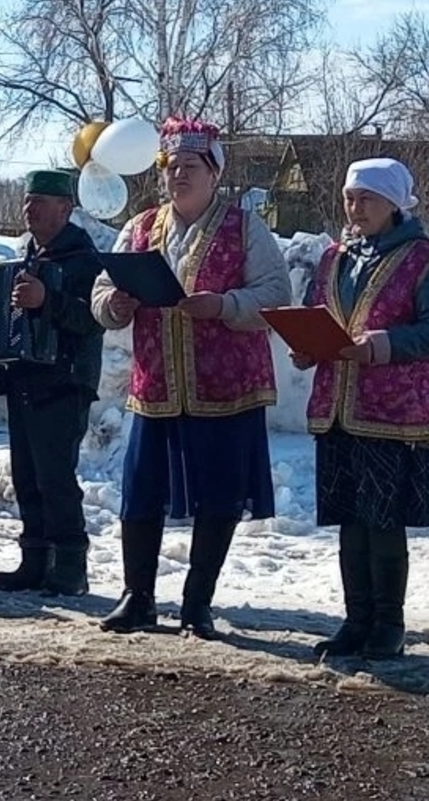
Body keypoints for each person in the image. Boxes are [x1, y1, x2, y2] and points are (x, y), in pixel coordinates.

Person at [90, 118, 291, 638]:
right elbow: (101, 289)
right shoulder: (139, 227)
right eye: (171, 166)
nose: (178, 174)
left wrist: (224, 305)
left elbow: (275, 293)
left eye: (190, 166)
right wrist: (115, 303)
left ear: (213, 174)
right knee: (140, 490)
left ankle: (197, 601)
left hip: (225, 384)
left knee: (220, 493)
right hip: (157, 382)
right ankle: (137, 596)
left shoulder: (244, 227)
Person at [293, 158, 429, 660]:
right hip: (339, 406)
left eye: (366, 197)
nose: (355, 206)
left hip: (393, 410)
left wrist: (382, 344)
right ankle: (356, 619)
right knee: (349, 519)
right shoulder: (334, 258)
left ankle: (389, 622)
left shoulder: (425, 260)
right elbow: (315, 314)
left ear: (393, 203)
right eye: (350, 196)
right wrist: (305, 345)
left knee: (382, 519)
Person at [0, 169, 106, 595]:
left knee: (56, 476)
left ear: (66, 209)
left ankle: (71, 564)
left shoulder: (85, 260)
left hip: (64, 382)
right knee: (27, 475)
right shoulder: (27, 256)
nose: (29, 208)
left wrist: (48, 300)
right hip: (24, 379)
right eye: (27, 199)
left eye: (40, 200)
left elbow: (93, 321)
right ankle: (35, 560)